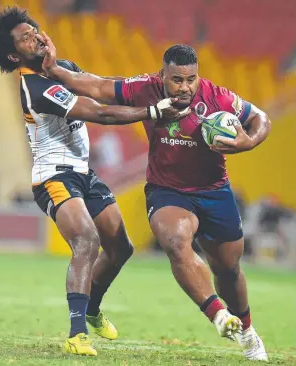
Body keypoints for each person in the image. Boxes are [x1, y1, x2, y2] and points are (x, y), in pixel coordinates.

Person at [40, 34, 271, 361]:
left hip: (214, 190)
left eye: (191, 79)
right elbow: (98, 86)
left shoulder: (217, 97)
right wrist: (55, 70)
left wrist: (249, 141)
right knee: (175, 241)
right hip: (167, 190)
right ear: (162, 75)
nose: (185, 87)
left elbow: (261, 117)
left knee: (229, 269)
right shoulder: (144, 88)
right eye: (177, 80)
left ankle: (246, 330)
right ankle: (219, 314)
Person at [0, 6, 183, 357]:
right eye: (25, 38)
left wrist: (151, 87)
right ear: (15, 54)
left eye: (35, 30)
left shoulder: (66, 70)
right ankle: (77, 333)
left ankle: (92, 310)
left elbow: (104, 90)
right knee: (87, 240)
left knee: (121, 247)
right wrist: (152, 112)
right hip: (53, 177)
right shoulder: (34, 87)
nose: (35, 37)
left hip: (83, 173)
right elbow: (99, 113)